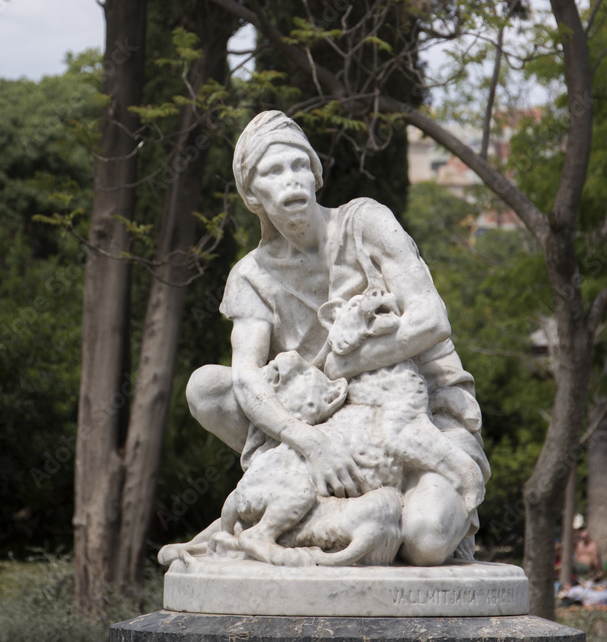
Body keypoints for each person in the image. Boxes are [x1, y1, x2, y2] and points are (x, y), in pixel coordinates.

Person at [184, 110, 489, 566]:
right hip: (323, 431)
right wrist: (309, 442)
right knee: (207, 387)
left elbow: (431, 320)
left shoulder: (366, 222)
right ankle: (316, 501)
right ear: (252, 194)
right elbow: (247, 380)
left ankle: (337, 514)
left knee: (425, 541)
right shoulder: (251, 276)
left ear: (315, 172)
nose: (290, 180)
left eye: (297, 165)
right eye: (271, 171)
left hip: (421, 414)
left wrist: (344, 365)